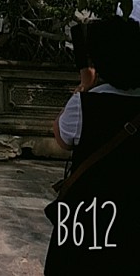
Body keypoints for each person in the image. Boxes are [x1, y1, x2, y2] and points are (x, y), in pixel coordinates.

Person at [45, 16, 140, 274]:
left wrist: (84, 88)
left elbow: (62, 138)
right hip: (132, 213)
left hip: (88, 215)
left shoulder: (85, 104)